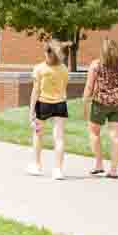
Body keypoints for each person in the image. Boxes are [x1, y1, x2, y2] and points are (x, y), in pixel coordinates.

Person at [84, 40, 118, 178]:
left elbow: (89, 86)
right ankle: (114, 170)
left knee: (94, 133)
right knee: (115, 136)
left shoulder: (96, 65)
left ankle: (99, 164)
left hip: (100, 104)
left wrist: (85, 102)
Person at [27, 46, 69, 180]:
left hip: (43, 104)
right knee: (59, 138)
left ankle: (37, 165)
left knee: (38, 135)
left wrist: (31, 111)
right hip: (60, 104)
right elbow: (64, 86)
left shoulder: (39, 69)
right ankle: (58, 170)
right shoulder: (64, 68)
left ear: (46, 53)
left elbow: (35, 91)